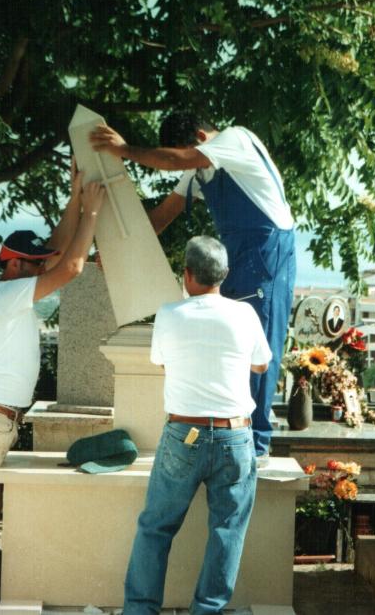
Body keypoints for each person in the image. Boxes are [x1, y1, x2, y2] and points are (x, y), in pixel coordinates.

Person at [0, 165, 105, 615]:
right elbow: (69, 265)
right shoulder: (6, 294)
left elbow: (56, 252)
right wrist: (91, 212)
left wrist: (73, 200)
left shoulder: (11, 289)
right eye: (32, 263)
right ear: (13, 263)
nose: (40, 269)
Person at [90, 112, 296, 460]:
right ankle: (226, 434)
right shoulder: (198, 170)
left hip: (267, 254)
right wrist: (113, 250)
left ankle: (256, 445)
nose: (185, 163)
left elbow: (177, 160)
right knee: (225, 343)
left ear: (202, 137)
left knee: (257, 344)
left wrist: (125, 149)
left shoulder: (235, 139)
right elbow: (160, 217)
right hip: (238, 255)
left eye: (185, 153)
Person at [123, 236, 271, 614]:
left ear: (187, 275)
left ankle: (139, 610)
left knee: (155, 528)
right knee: (227, 532)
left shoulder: (170, 314)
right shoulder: (245, 315)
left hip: (183, 433)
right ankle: (207, 610)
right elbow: (261, 365)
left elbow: (161, 361)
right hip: (235, 434)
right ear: (224, 275)